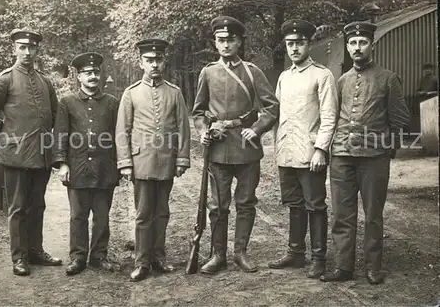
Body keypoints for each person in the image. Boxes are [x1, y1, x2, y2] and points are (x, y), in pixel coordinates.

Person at [320, 21, 410, 285]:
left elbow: (400, 118)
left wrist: (388, 148)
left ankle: (373, 267)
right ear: (347, 47)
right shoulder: (342, 81)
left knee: (373, 214)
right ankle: (343, 267)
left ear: (372, 45)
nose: (357, 48)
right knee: (342, 214)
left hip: (374, 158)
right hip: (342, 157)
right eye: (352, 43)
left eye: (362, 43)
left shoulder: (388, 78)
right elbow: (333, 116)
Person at [192, 16, 279, 274]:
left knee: (246, 202)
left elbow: (271, 106)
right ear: (215, 43)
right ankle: (218, 255)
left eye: (231, 40)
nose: (226, 44)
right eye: (221, 40)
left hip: (246, 146)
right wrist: (203, 130)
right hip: (218, 148)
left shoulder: (253, 72)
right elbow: (198, 111)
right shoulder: (208, 72)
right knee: (218, 205)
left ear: (239, 42)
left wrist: (257, 128)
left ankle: (240, 253)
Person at [0, 29, 62, 276]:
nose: (27, 52)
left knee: (38, 205)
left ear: (37, 51)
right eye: (22, 47)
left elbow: (55, 114)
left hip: (41, 155)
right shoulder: (4, 79)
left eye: (31, 48)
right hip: (15, 156)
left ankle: (36, 251)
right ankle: (19, 258)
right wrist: (4, 132)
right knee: (17, 207)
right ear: (14, 49)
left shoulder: (45, 81)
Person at [267, 19, 338, 279]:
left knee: (315, 205)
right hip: (286, 150)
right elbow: (276, 113)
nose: (294, 48)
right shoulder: (284, 77)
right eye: (290, 44)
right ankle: (296, 253)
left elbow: (329, 116)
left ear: (309, 44)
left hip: (310, 153)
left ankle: (319, 257)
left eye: (299, 43)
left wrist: (321, 149)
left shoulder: (322, 75)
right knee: (294, 204)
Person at [115, 38, 191, 282]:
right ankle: (141, 261)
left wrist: (182, 158)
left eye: (158, 60)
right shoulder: (131, 93)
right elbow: (121, 131)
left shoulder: (174, 92)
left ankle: (159, 257)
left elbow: (183, 128)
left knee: (162, 212)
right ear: (141, 63)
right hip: (142, 162)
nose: (154, 65)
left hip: (167, 161)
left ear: (164, 62)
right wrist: (125, 162)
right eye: (149, 60)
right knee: (143, 213)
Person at [52, 52, 120, 276]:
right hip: (78, 167)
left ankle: (99, 256)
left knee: (102, 216)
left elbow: (119, 136)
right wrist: (62, 164)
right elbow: (61, 134)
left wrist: (121, 165)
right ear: (78, 77)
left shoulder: (111, 103)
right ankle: (78, 257)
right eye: (87, 73)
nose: (92, 76)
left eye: (96, 72)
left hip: (104, 168)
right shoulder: (67, 103)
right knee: (78, 216)